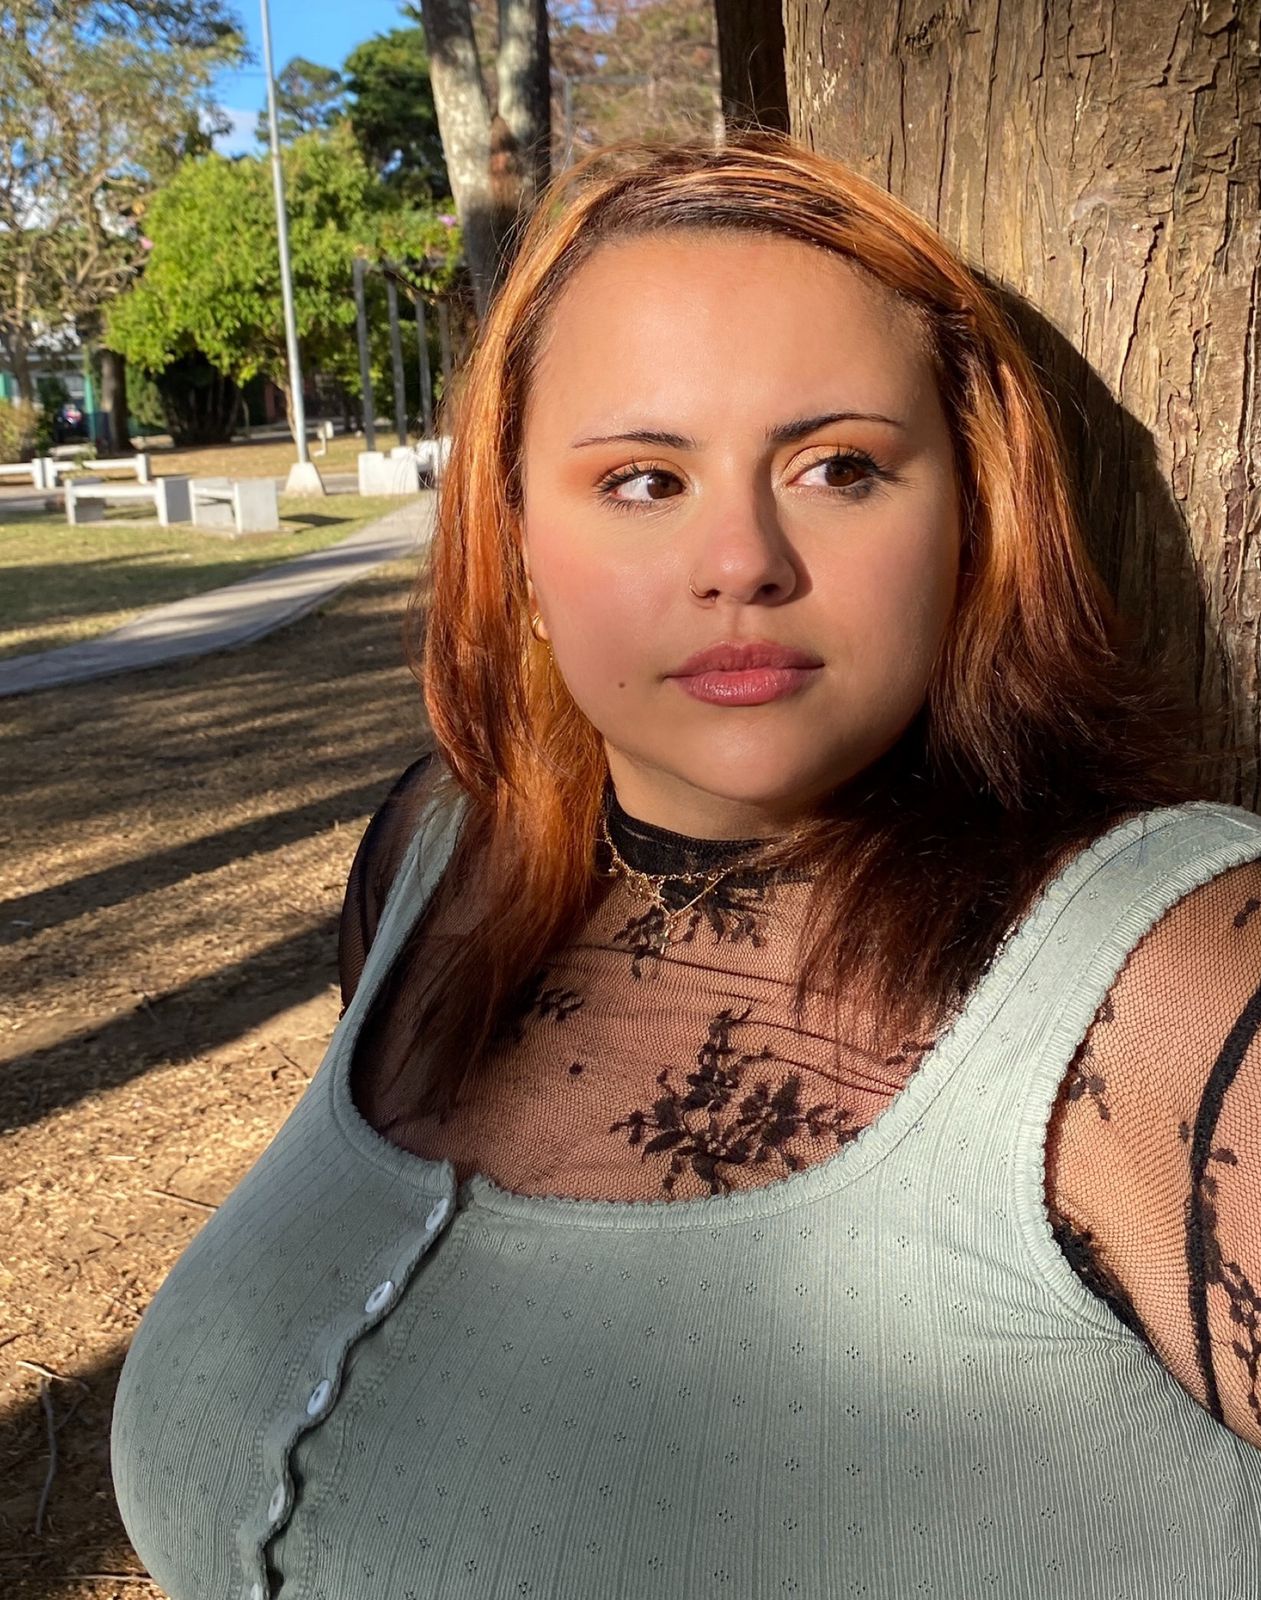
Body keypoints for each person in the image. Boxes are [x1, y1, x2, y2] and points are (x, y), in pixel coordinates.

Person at [111, 129, 1261, 1600]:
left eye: (839, 467)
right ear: (516, 542)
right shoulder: (435, 856)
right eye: (644, 479)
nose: (741, 559)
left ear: (972, 522)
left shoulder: (1175, 985)